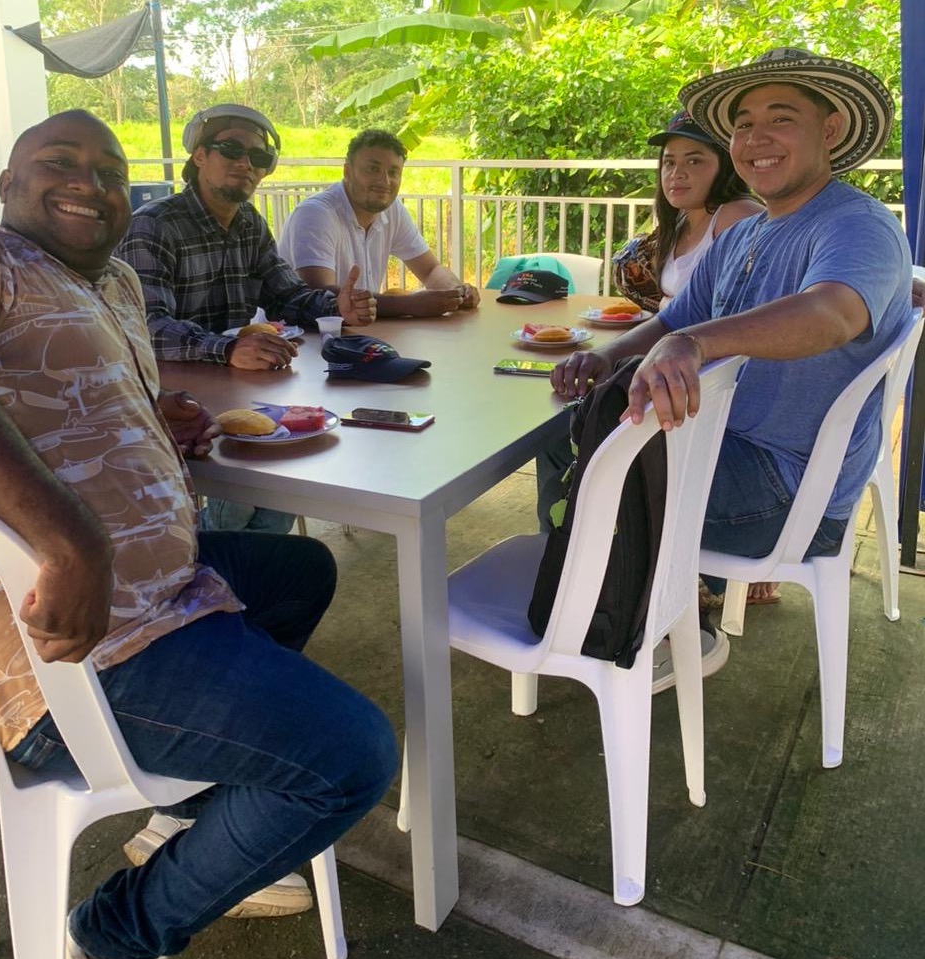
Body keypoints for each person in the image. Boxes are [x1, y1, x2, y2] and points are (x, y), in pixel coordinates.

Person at [0, 109, 397, 959]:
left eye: (112, 171)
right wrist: (68, 540)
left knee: (301, 570)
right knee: (353, 756)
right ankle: (111, 940)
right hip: (67, 648)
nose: (91, 183)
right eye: (60, 162)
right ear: (8, 183)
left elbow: (66, 396)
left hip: (162, 590)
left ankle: (194, 805)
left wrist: (154, 417)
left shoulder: (115, 282)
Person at [549, 48, 912, 686]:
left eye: (781, 118)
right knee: (571, 433)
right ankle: (623, 606)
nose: (756, 139)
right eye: (744, 124)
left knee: (591, 467)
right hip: (726, 449)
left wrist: (694, 344)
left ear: (829, 130)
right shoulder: (745, 232)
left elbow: (831, 313)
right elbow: (672, 319)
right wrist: (605, 355)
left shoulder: (857, 225)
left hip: (785, 491)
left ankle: (620, 623)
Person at [115, 103, 377, 533]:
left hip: (234, 391)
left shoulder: (249, 224)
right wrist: (228, 348)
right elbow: (145, 327)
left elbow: (286, 294)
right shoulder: (153, 227)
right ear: (200, 156)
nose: (245, 163)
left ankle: (235, 564)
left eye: (258, 156)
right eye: (231, 149)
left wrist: (337, 308)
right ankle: (208, 554)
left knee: (291, 471)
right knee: (246, 501)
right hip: (169, 403)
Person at [278, 128, 480, 317]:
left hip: (359, 330)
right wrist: (410, 305)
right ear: (347, 171)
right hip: (299, 337)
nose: (385, 181)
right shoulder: (316, 214)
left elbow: (430, 270)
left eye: (393, 172)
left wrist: (457, 291)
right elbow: (319, 295)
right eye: (373, 169)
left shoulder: (392, 210)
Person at [647, 109, 764, 308]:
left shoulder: (737, 215)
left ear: (725, 165)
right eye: (669, 162)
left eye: (694, 161)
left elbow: (745, 307)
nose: (677, 173)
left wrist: (667, 306)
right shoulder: (682, 220)